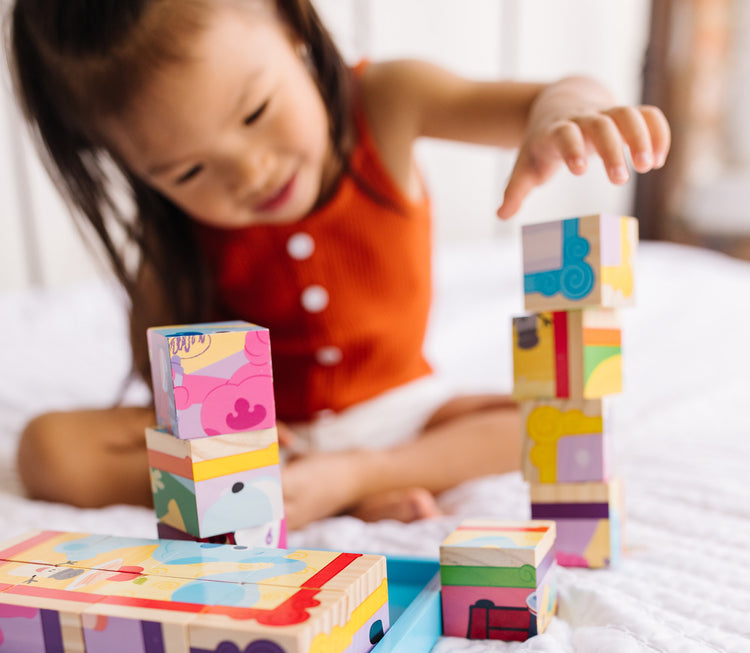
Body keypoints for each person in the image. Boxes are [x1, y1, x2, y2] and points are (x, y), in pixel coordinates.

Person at [8, 0, 670, 530]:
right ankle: (316, 489)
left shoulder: (386, 101)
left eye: (256, 112)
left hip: (406, 417)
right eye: (187, 170)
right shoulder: (176, 240)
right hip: (266, 446)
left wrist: (570, 113)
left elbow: (540, 99)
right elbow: (170, 388)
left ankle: (359, 480)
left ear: (291, 21)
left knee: (566, 420)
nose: (250, 171)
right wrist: (207, 434)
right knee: (49, 451)